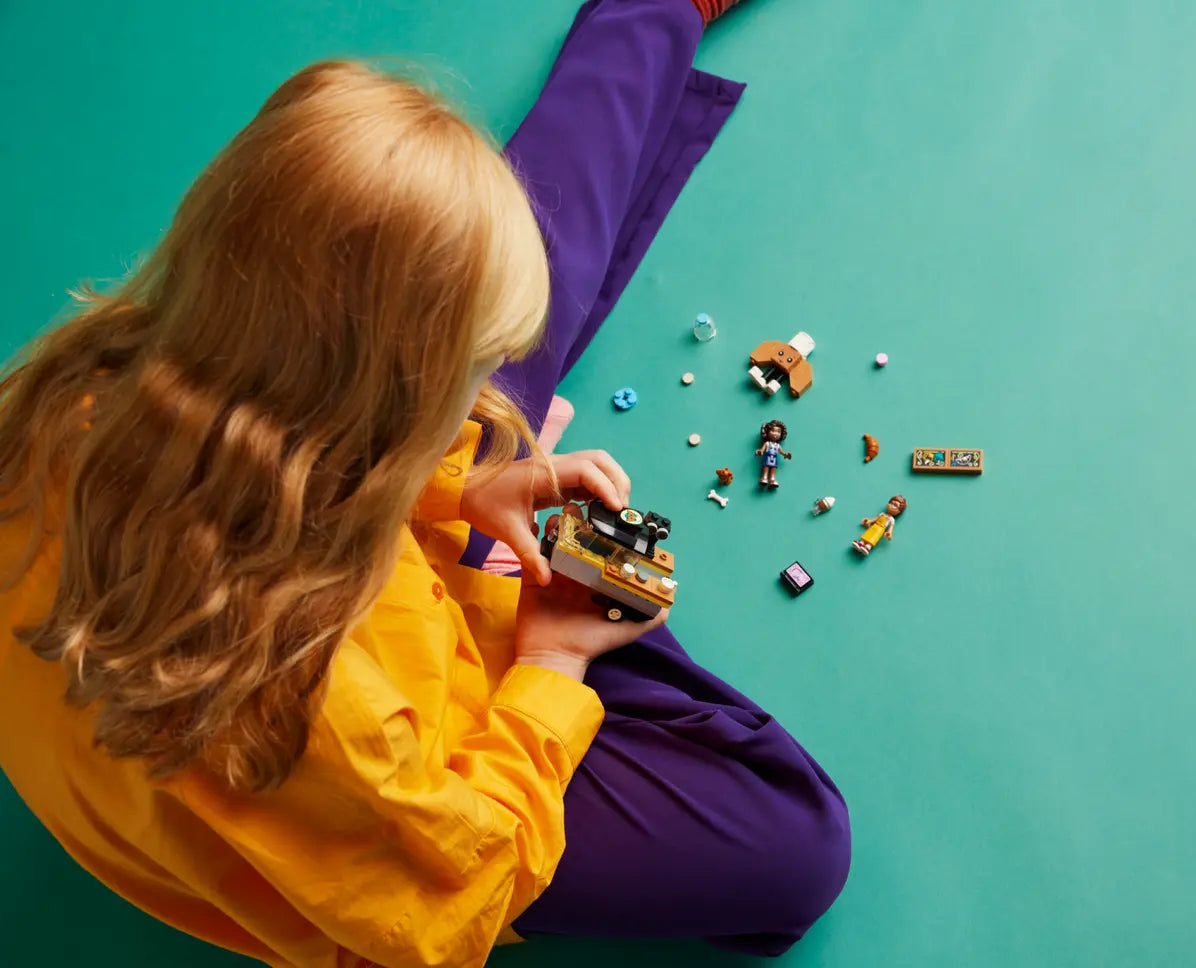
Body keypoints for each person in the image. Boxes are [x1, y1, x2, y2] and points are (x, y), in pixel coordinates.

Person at [0, 0, 851, 964]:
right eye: (459, 380)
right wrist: (554, 660)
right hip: (358, 769)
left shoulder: (72, 395)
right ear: (378, 402)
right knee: (797, 843)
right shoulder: (338, 708)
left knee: (461, 255)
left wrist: (446, 484)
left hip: (308, 603)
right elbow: (445, 901)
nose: (480, 403)